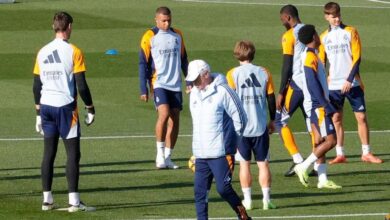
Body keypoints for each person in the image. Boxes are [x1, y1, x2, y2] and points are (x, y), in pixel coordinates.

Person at [33, 11, 95, 212]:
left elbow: (36, 84)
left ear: (54, 27)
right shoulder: (74, 51)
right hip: (66, 108)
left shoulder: (42, 51)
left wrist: (37, 111)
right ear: (69, 27)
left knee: (48, 153)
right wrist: (90, 107)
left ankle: (47, 200)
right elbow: (81, 85)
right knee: (72, 154)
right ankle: (74, 202)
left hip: (46, 107)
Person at [186, 59, 251, 220]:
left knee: (223, 189)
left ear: (206, 74)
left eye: (196, 79)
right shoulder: (194, 92)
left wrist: (233, 141)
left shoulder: (224, 91)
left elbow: (241, 117)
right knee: (200, 193)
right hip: (201, 155)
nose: (194, 83)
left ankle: (242, 215)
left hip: (221, 153)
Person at [319, 2, 383, 164]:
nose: (337, 19)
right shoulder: (323, 37)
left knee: (361, 117)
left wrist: (349, 79)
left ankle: (366, 152)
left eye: (339, 15)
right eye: (333, 17)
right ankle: (340, 154)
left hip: (352, 83)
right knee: (337, 119)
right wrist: (325, 78)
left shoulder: (351, 32)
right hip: (333, 86)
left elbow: (357, 58)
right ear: (326, 17)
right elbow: (321, 62)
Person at [226, 40, 277, 210]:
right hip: (260, 126)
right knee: (263, 164)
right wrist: (273, 119)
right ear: (253, 53)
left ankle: (247, 200)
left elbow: (230, 102)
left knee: (244, 164)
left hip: (241, 129)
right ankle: (266, 199)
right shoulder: (264, 72)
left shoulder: (232, 74)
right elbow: (271, 99)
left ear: (237, 54)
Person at [139, 6, 189, 169]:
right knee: (164, 113)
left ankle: (168, 157)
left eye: (169, 20)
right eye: (163, 21)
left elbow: (184, 59)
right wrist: (144, 88)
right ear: (156, 20)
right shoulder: (149, 36)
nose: (167, 24)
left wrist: (189, 81)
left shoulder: (178, 35)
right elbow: (143, 63)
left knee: (175, 119)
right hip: (159, 83)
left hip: (175, 84)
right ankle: (159, 154)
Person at [294, 24, 341, 189]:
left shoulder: (312, 55)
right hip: (317, 106)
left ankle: (322, 179)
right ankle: (302, 166)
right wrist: (324, 104)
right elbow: (312, 83)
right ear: (314, 37)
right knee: (331, 140)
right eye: (316, 33)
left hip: (316, 104)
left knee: (320, 142)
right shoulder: (309, 57)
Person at [276, 5, 318, 177]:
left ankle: (298, 159)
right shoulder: (311, 31)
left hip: (296, 85)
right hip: (311, 85)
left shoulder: (288, 36)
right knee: (312, 123)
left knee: (279, 121)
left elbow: (287, 65)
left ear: (287, 17)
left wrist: (281, 91)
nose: (282, 23)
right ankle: (316, 165)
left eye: (282, 20)